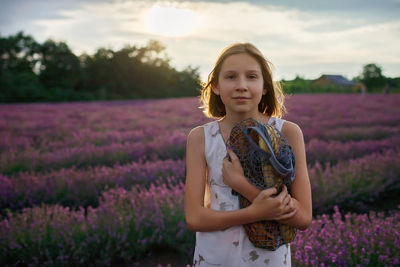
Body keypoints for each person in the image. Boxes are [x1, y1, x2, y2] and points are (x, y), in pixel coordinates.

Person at [185, 43, 312, 266]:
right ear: (215, 86)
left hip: (268, 260)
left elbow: (303, 218)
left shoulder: (288, 132)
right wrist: (254, 213)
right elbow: (194, 217)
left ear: (264, 86)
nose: (241, 86)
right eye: (231, 77)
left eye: (252, 77)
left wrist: (241, 185)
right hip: (215, 259)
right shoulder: (201, 137)